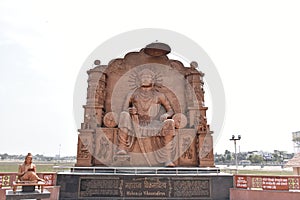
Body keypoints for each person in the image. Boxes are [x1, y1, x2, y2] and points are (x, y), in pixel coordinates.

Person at [117, 68, 176, 167]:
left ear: (152, 80)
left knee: (170, 122)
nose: (145, 79)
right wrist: (130, 111)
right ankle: (121, 148)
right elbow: (124, 109)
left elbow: (170, 110)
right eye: (143, 77)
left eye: (148, 77)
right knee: (124, 115)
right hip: (136, 122)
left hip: (153, 123)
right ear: (139, 80)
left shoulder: (159, 95)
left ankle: (168, 159)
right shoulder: (132, 94)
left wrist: (166, 115)